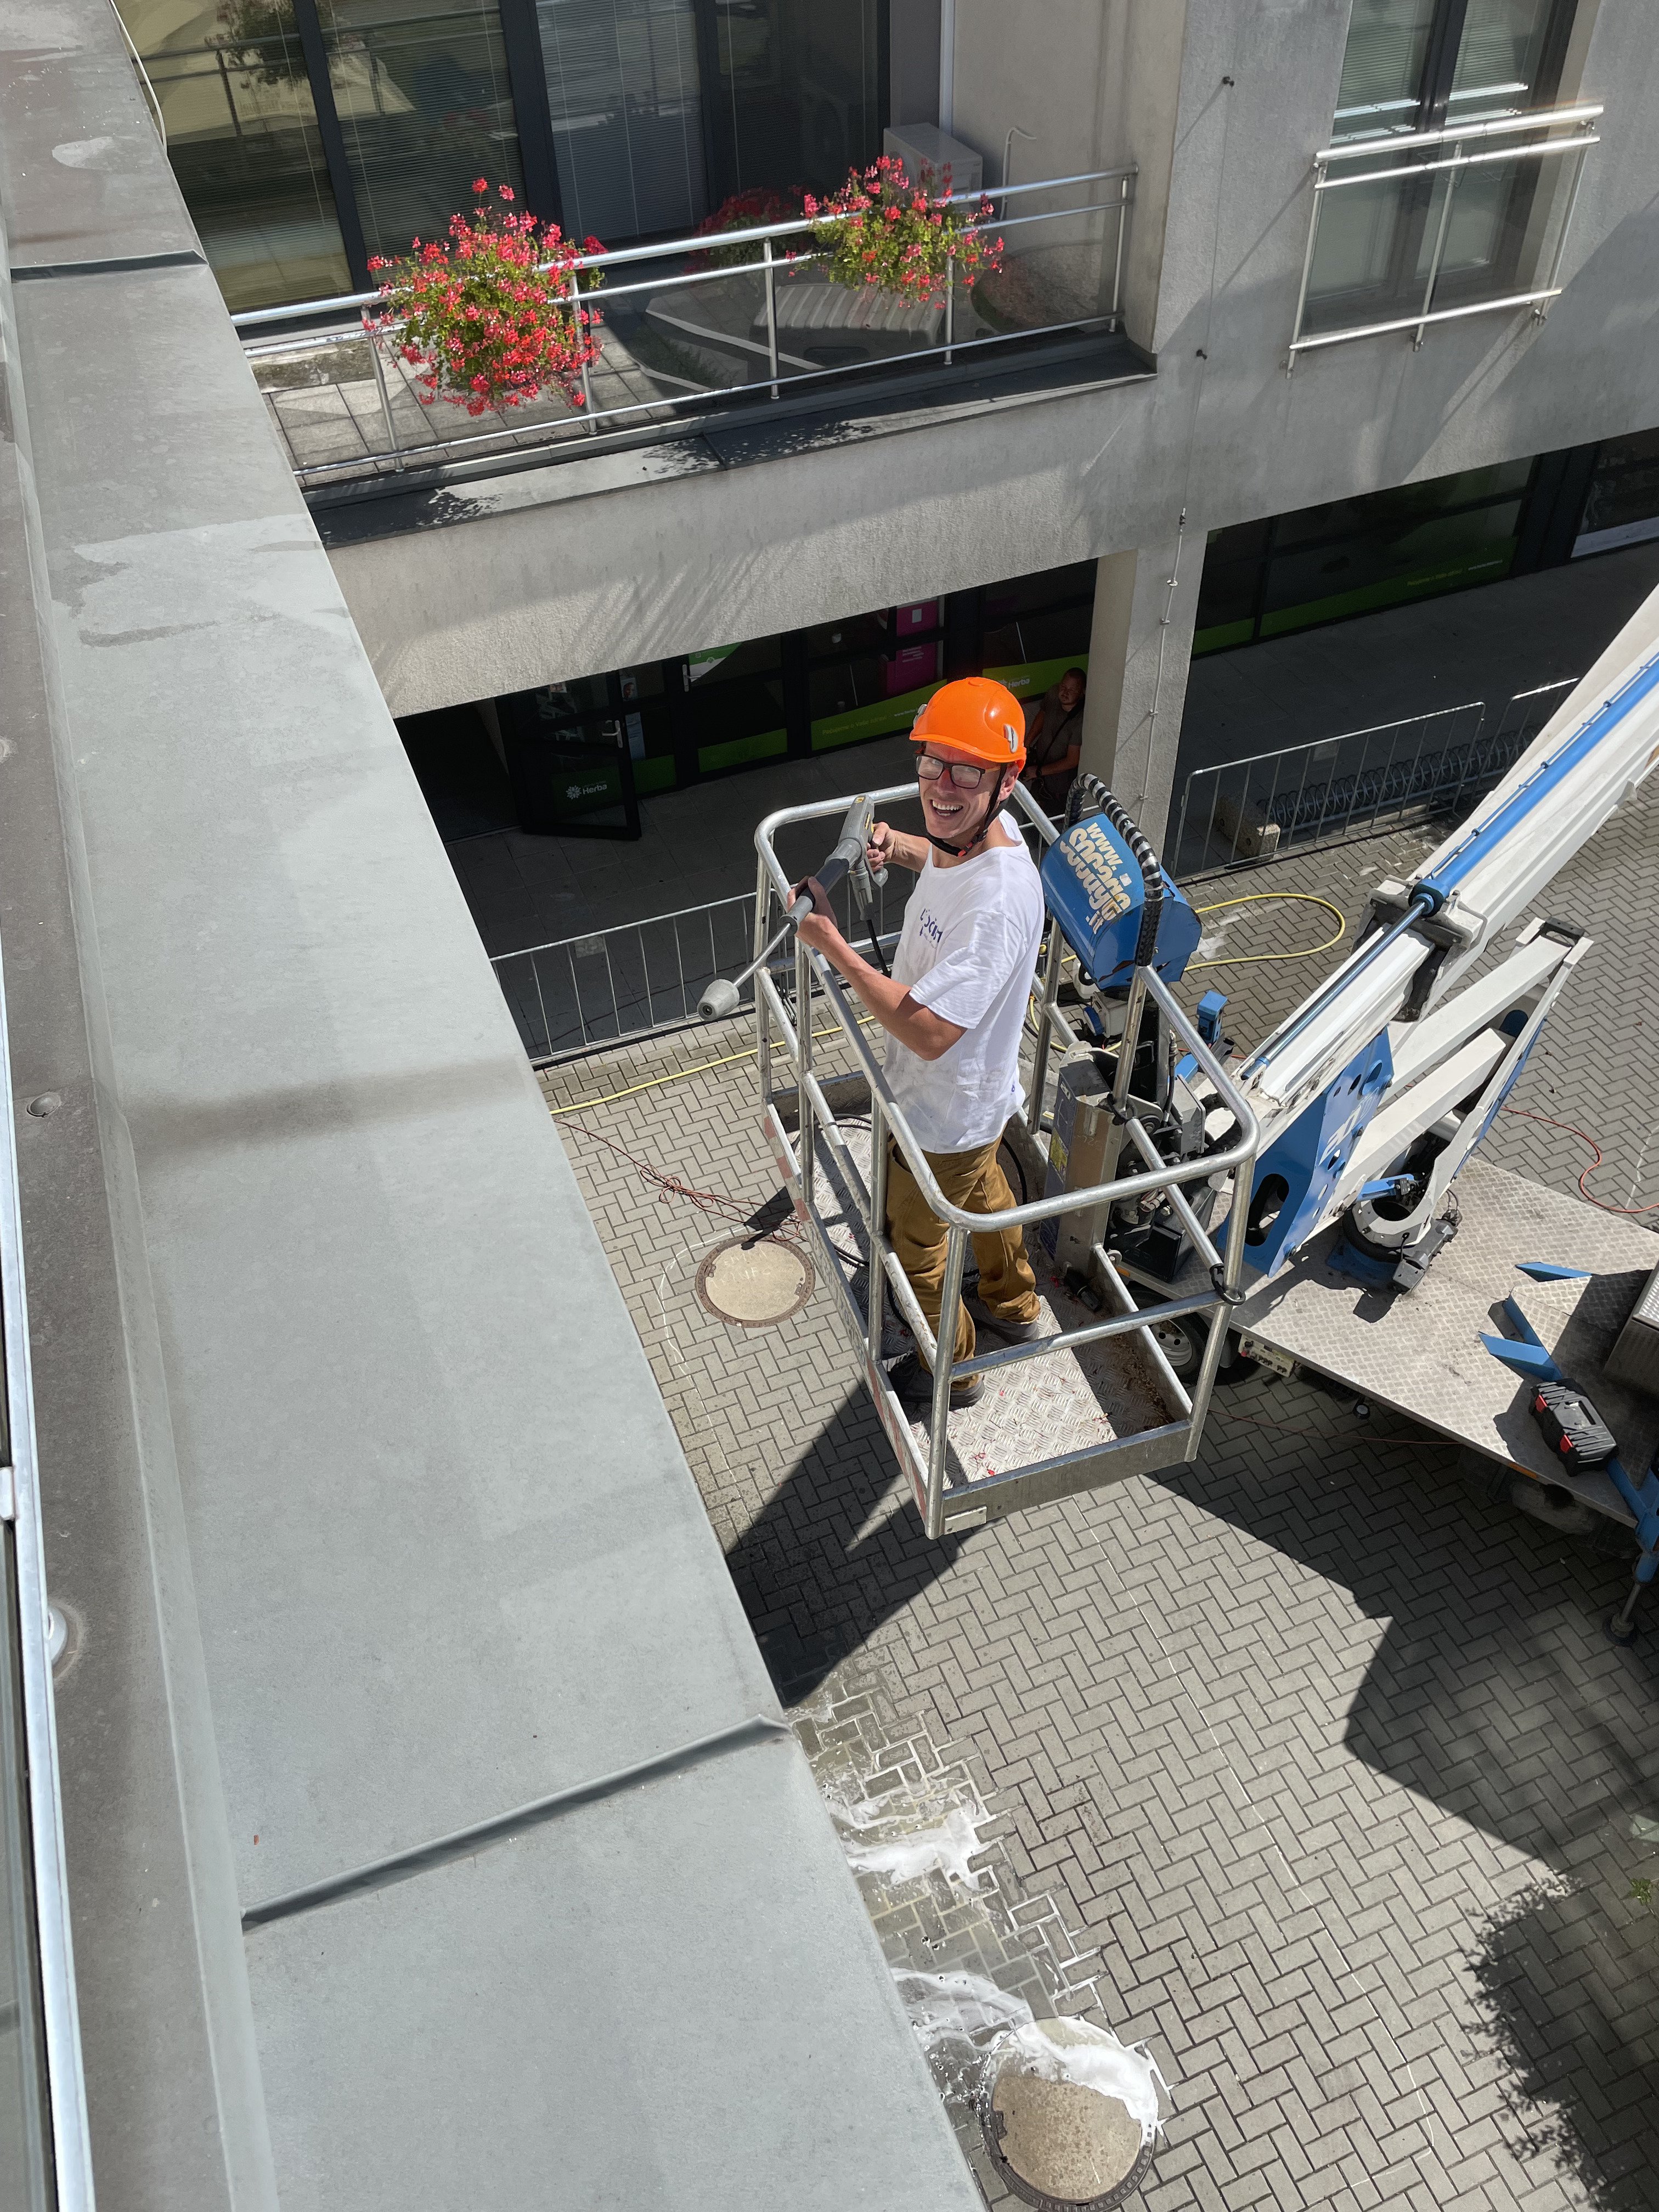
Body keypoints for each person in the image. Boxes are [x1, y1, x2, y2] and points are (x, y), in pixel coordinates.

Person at [792, 677, 1046, 1415]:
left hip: (942, 1112)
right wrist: (897, 846)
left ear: (1006, 780)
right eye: (933, 763)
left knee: (920, 1255)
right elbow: (941, 856)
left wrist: (834, 946)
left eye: (966, 770)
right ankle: (1017, 1302)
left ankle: (956, 1373)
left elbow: (930, 1032)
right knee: (986, 1189)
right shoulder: (970, 836)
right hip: (975, 1103)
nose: (942, 785)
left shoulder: (998, 900)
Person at [1022, 667, 1086, 817]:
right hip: (1039, 777)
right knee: (1030, 815)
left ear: (1082, 692)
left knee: (1050, 823)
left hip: (1060, 787)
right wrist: (1027, 743)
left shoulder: (1081, 720)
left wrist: (1038, 771)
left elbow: (1072, 760)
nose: (1065, 693)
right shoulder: (1053, 694)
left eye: (1072, 690)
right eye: (1064, 687)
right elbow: (1043, 714)